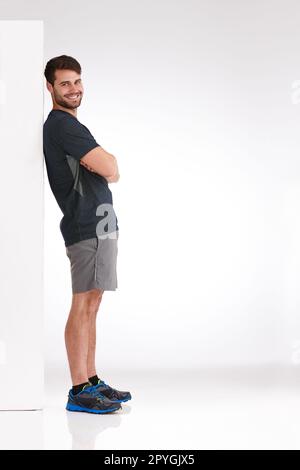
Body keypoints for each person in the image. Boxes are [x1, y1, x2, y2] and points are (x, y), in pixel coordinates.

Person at [43, 55, 131, 414]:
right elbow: (111, 168)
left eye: (77, 81)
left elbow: (108, 169)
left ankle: (91, 380)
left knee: (93, 304)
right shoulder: (63, 125)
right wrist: (101, 160)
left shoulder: (72, 126)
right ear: (50, 87)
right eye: (65, 83)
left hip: (100, 223)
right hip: (86, 224)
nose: (74, 88)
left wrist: (98, 161)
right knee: (83, 304)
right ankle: (79, 389)